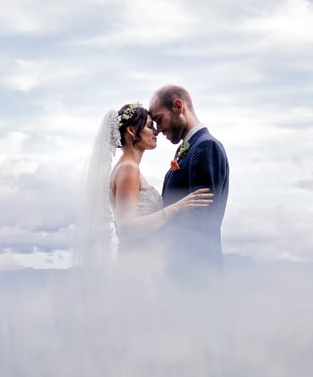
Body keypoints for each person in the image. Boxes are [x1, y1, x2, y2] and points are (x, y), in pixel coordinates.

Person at [74, 102, 212, 270]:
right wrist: (177, 208)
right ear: (131, 131)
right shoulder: (128, 169)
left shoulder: (129, 168)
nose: (156, 132)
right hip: (138, 265)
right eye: (149, 126)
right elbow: (127, 228)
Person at [149, 85, 229, 276]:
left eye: (159, 119)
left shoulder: (205, 146)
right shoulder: (191, 149)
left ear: (178, 106)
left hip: (196, 272)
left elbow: (201, 220)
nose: (158, 130)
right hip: (180, 270)